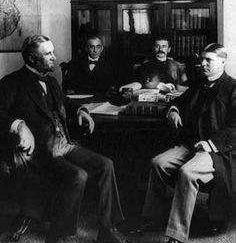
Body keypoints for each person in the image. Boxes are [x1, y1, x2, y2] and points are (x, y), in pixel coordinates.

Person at [0, 35, 131, 243]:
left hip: (62, 145)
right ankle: (58, 235)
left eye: (52, 52)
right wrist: (19, 125)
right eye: (48, 53)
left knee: (105, 164)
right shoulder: (12, 82)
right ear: (33, 59)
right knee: (78, 175)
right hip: (37, 153)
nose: (54, 57)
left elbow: (65, 102)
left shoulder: (51, 82)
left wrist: (81, 110)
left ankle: (107, 229)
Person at [135, 43, 236, 243]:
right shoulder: (199, 83)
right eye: (202, 59)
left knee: (187, 172)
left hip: (217, 152)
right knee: (158, 163)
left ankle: (176, 235)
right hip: (192, 144)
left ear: (223, 62)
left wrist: (211, 144)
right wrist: (173, 110)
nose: (203, 63)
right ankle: (152, 218)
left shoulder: (232, 88)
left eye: (209, 60)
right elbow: (178, 102)